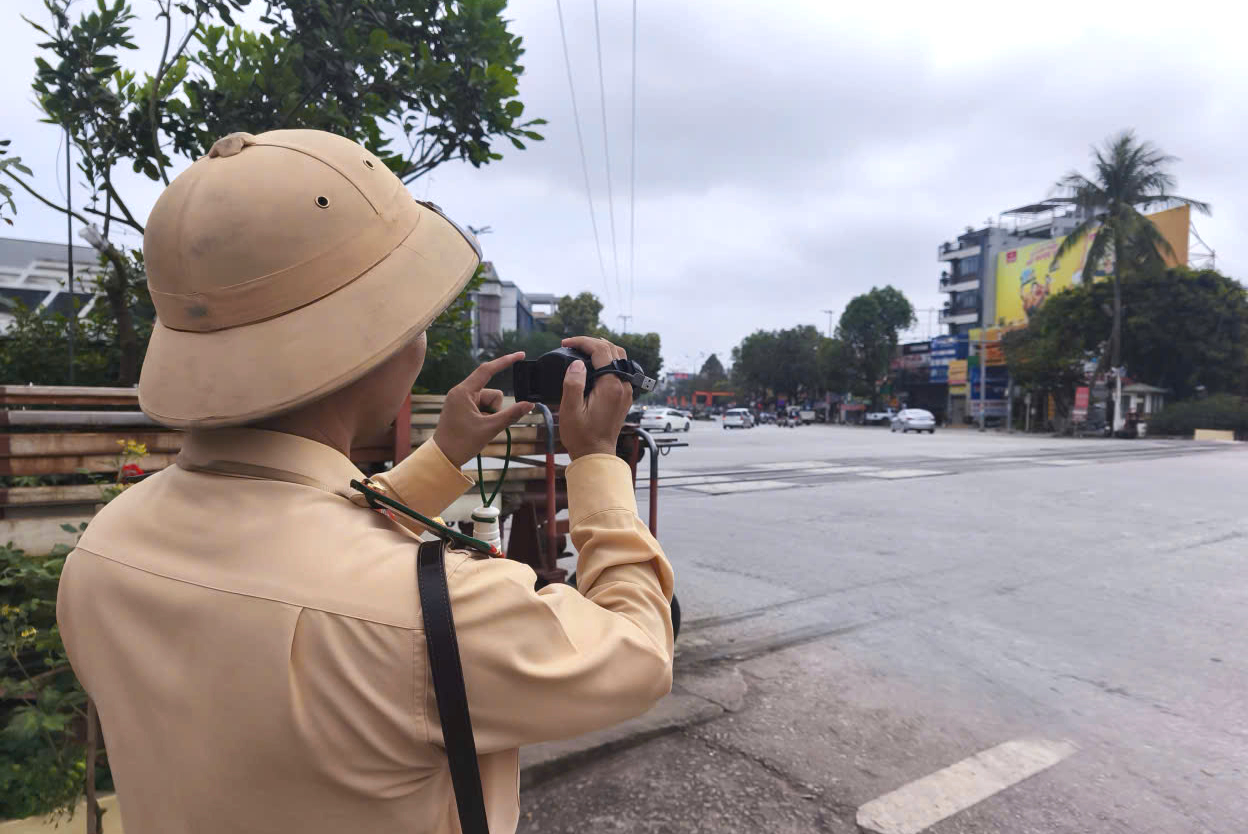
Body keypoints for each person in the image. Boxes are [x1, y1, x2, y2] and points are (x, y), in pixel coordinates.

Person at [56, 130, 674, 834]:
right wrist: (597, 462)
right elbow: (639, 655)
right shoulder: (442, 614)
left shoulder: (102, 552)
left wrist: (443, 457)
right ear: (377, 345)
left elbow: (304, 543)